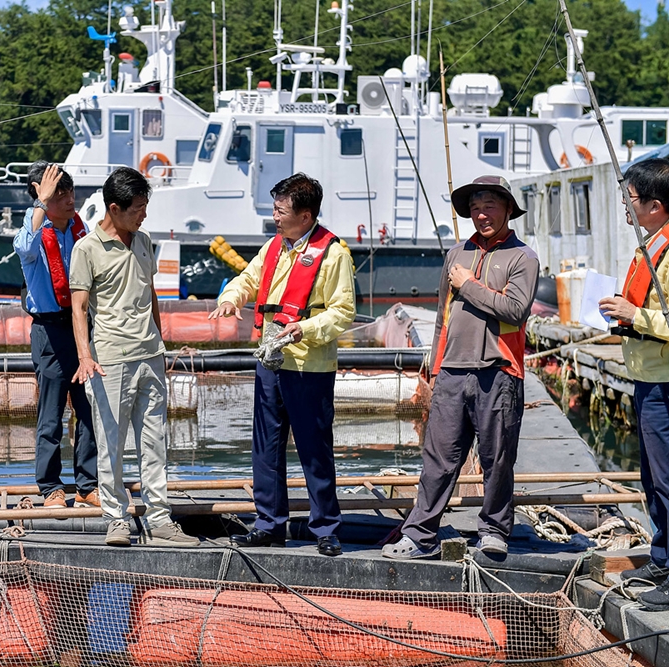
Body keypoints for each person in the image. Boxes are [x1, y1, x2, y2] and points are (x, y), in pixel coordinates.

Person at [382, 175, 539, 560]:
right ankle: (420, 535)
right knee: (438, 458)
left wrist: (468, 284)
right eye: (474, 208)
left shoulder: (523, 257)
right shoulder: (455, 254)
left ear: (508, 209)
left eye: (489, 206)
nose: (481, 214)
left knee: (497, 459)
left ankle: (495, 530)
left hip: (499, 372)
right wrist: (436, 369)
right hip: (452, 372)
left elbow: (516, 311)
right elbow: (442, 317)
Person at [208, 172, 356, 557]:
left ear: (305, 216)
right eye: (275, 209)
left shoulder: (334, 254)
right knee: (266, 446)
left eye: (280, 210)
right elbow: (247, 279)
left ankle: (326, 528)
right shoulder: (274, 246)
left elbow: (343, 311)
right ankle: (269, 524)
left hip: (309, 365)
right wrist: (231, 299)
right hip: (270, 360)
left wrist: (304, 329)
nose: (274, 216)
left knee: (314, 449)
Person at [69, 166, 199, 548]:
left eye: (145, 205)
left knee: (155, 441)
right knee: (111, 444)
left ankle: (160, 518)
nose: (144, 214)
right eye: (138, 208)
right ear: (115, 208)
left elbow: (150, 292)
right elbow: (78, 307)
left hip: (150, 355)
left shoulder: (143, 240)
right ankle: (116, 519)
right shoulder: (86, 249)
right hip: (110, 359)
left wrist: (161, 341)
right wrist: (84, 356)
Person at [598, 158, 669, 611]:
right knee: (652, 479)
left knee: (667, 479)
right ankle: (662, 559)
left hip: (664, 382)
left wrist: (634, 315)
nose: (626, 204)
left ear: (656, 206)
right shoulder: (651, 245)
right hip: (645, 378)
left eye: (632, 198)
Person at [14, 161, 99, 509]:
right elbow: (24, 248)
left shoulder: (81, 229)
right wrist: (41, 201)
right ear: (43, 196)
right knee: (51, 414)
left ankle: (88, 484)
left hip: (81, 326)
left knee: (88, 408)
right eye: (59, 193)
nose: (68, 199)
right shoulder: (33, 227)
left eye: (70, 191)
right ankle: (50, 487)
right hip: (49, 331)